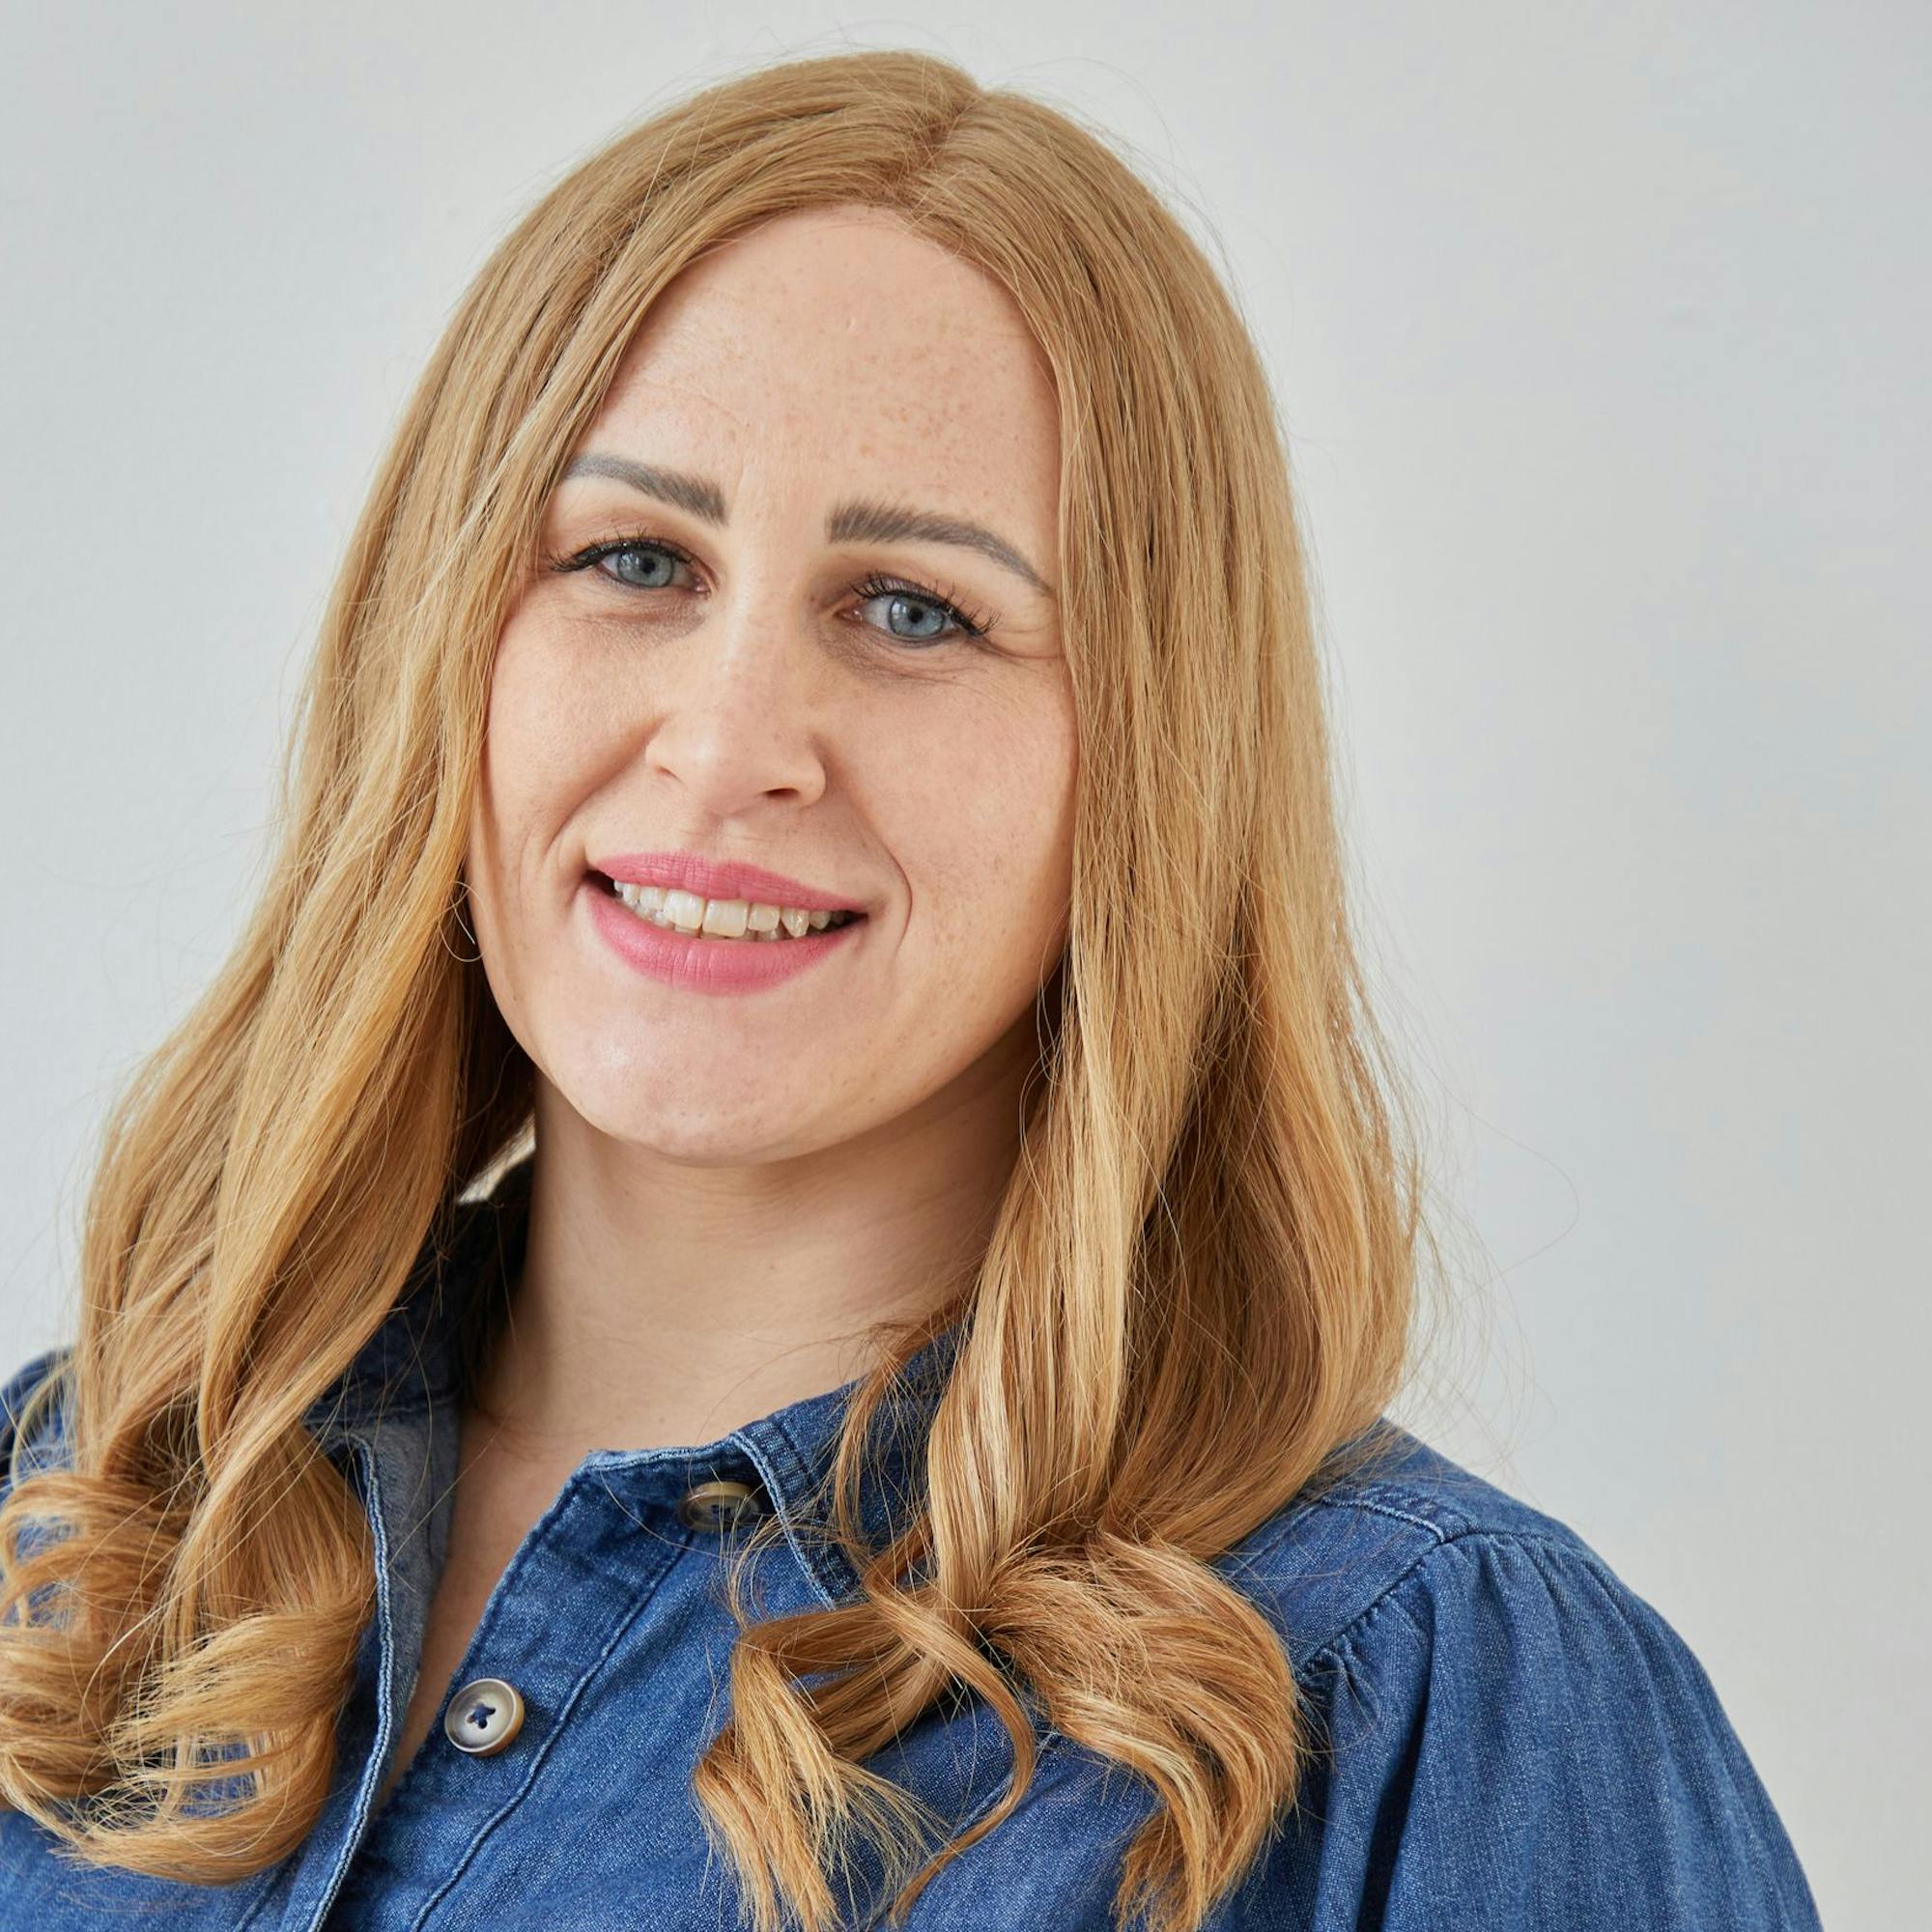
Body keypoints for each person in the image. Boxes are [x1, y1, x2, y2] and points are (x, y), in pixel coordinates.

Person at [0, 47, 1821, 1932]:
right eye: (635, 558)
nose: (723, 749)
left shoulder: (1427, 1702)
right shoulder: (68, 1529)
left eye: (911, 610)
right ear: (442, 644)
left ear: (1142, 767)